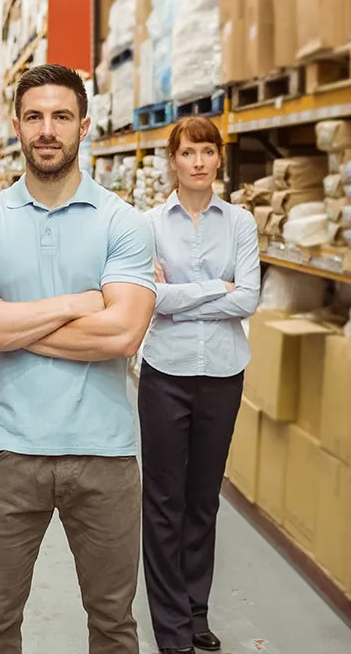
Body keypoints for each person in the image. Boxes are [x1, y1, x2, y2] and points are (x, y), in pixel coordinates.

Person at [0, 64, 157, 654]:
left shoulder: (124, 222)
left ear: (84, 125)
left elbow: (123, 334)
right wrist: (74, 305)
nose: (47, 129)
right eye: (34, 116)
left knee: (113, 625)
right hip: (9, 452)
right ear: (17, 125)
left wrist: (9, 322)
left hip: (105, 454)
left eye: (61, 116)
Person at [138, 116, 260, 654]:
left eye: (208, 152)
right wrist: (215, 290)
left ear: (219, 160)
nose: (198, 162)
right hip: (165, 375)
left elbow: (249, 298)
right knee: (164, 500)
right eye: (188, 152)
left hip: (223, 377)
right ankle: (171, 628)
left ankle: (196, 610)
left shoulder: (241, 223)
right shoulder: (148, 225)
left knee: (203, 499)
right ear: (174, 160)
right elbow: (149, 299)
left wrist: (181, 296)